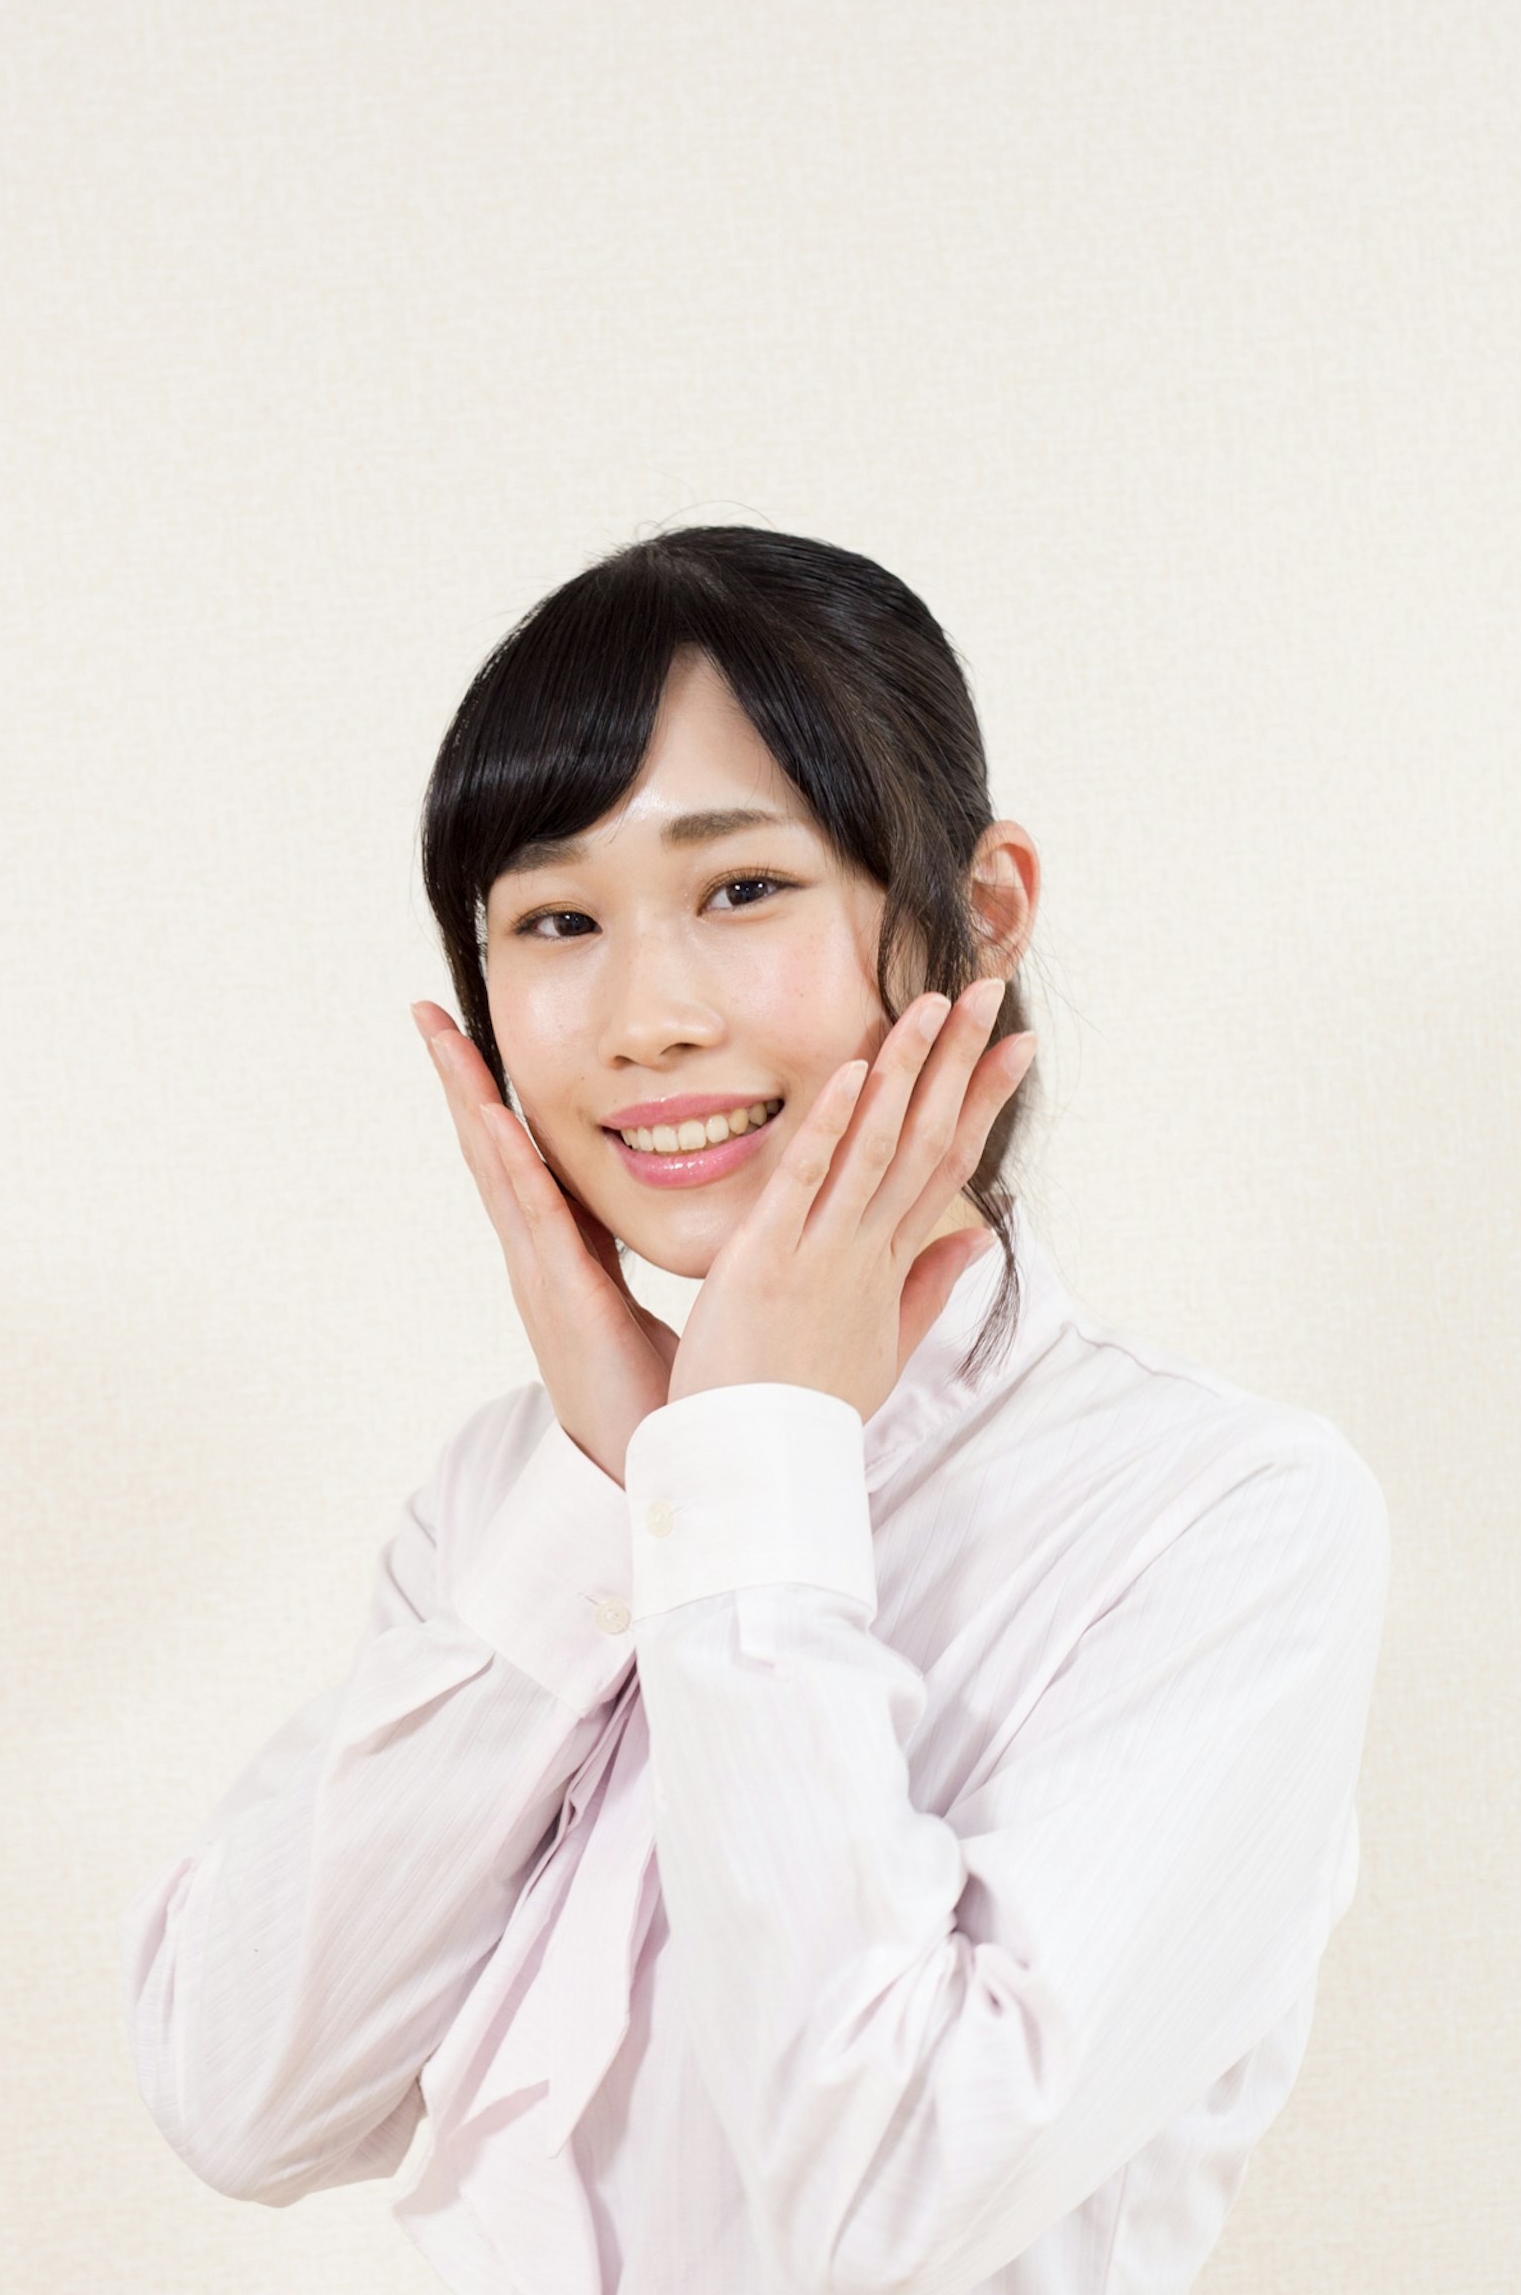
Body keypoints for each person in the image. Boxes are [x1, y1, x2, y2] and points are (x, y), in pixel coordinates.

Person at [123, 526, 1392, 2293]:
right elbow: (241, 2098)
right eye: (556, 921)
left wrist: (738, 1493)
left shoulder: (1219, 1513)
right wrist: (609, 1485)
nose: (646, 1019)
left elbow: (889, 2203)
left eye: (741, 891)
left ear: (989, 909)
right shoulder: (520, 1495)